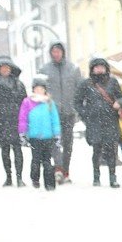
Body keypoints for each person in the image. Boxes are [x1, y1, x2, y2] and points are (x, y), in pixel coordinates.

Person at [74, 57, 122, 188]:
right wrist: (86, 115)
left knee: (111, 151)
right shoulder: (86, 84)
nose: (99, 70)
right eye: (96, 67)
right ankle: (96, 177)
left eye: (102, 67)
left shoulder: (112, 82)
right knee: (97, 150)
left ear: (106, 68)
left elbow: (121, 97)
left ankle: (113, 178)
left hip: (110, 121)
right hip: (94, 122)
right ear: (92, 69)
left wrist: (119, 103)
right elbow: (77, 102)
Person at [38, 42, 82, 185]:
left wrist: (78, 107)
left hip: (69, 112)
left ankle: (65, 171)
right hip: (52, 113)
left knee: (68, 143)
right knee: (55, 142)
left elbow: (79, 90)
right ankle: (58, 168)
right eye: (53, 51)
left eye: (58, 51)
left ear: (63, 52)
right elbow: (39, 91)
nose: (56, 54)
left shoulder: (73, 69)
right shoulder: (44, 70)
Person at [0, 56, 28, 187]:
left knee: (18, 150)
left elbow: (25, 103)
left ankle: (19, 177)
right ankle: (8, 177)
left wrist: (24, 119)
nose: (5, 70)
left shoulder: (19, 85)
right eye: (2, 67)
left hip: (16, 121)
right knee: (5, 150)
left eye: (7, 67)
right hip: (1, 121)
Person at [18, 76, 61, 191]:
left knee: (47, 160)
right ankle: (35, 179)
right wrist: (22, 132)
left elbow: (55, 119)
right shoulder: (27, 102)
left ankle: (49, 183)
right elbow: (23, 118)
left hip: (48, 136)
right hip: (34, 137)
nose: (39, 91)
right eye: (37, 89)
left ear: (45, 90)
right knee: (36, 159)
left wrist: (57, 133)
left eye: (41, 89)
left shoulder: (49, 102)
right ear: (33, 89)